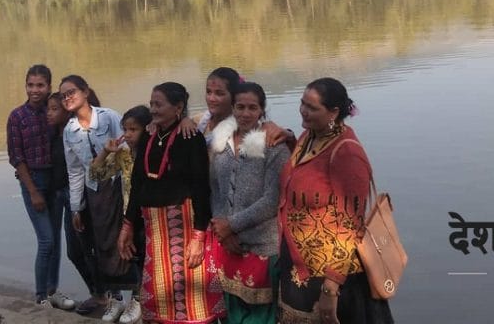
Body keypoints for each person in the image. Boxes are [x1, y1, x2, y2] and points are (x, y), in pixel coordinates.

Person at [277, 78, 393, 324]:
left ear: (334, 112)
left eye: (312, 107)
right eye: (302, 103)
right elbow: (302, 175)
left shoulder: (348, 154)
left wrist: (331, 287)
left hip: (333, 275)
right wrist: (288, 138)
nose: (303, 111)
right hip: (298, 265)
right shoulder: (308, 137)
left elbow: (351, 224)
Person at [119, 82, 224, 324]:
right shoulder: (148, 135)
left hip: (184, 226)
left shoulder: (190, 137)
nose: (153, 109)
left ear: (178, 107)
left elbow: (200, 188)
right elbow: (137, 184)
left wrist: (198, 238)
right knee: (157, 295)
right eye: (151, 104)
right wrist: (127, 225)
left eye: (159, 104)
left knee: (191, 294)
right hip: (154, 231)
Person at [209, 82, 290, 324]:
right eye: (240, 107)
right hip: (229, 243)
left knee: (262, 317)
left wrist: (230, 225)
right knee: (233, 314)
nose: (245, 113)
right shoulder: (220, 144)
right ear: (232, 108)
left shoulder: (274, 147)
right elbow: (216, 190)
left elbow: (272, 200)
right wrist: (223, 231)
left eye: (252, 108)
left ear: (262, 111)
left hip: (262, 245)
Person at [60, 75, 134, 323]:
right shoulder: (69, 131)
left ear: (85, 92)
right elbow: (75, 171)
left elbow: (127, 150)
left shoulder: (108, 117)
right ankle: (116, 299)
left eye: (71, 92)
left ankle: (136, 298)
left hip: (119, 187)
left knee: (128, 241)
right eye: (63, 95)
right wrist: (75, 208)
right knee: (102, 246)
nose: (67, 98)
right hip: (95, 192)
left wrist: (130, 194)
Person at [7, 65, 76, 310]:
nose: (35, 90)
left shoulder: (56, 110)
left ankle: (52, 289)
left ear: (49, 86)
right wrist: (33, 191)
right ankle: (40, 296)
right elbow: (16, 157)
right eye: (31, 85)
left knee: (56, 240)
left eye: (40, 85)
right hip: (33, 182)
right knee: (46, 240)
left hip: (56, 182)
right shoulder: (17, 117)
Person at [90, 105, 151, 324]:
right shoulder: (123, 152)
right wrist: (106, 151)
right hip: (130, 216)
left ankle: (141, 301)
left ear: (147, 129)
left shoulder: (154, 151)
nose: (128, 134)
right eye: (125, 129)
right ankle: (136, 299)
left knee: (149, 259)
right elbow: (96, 174)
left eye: (133, 129)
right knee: (133, 257)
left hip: (153, 216)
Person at [45, 91, 100, 315]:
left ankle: (110, 295)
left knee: (90, 249)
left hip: (80, 196)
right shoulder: (53, 134)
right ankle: (98, 293)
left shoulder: (77, 133)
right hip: (64, 196)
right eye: (48, 109)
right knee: (75, 253)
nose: (49, 113)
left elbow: (83, 169)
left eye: (54, 109)